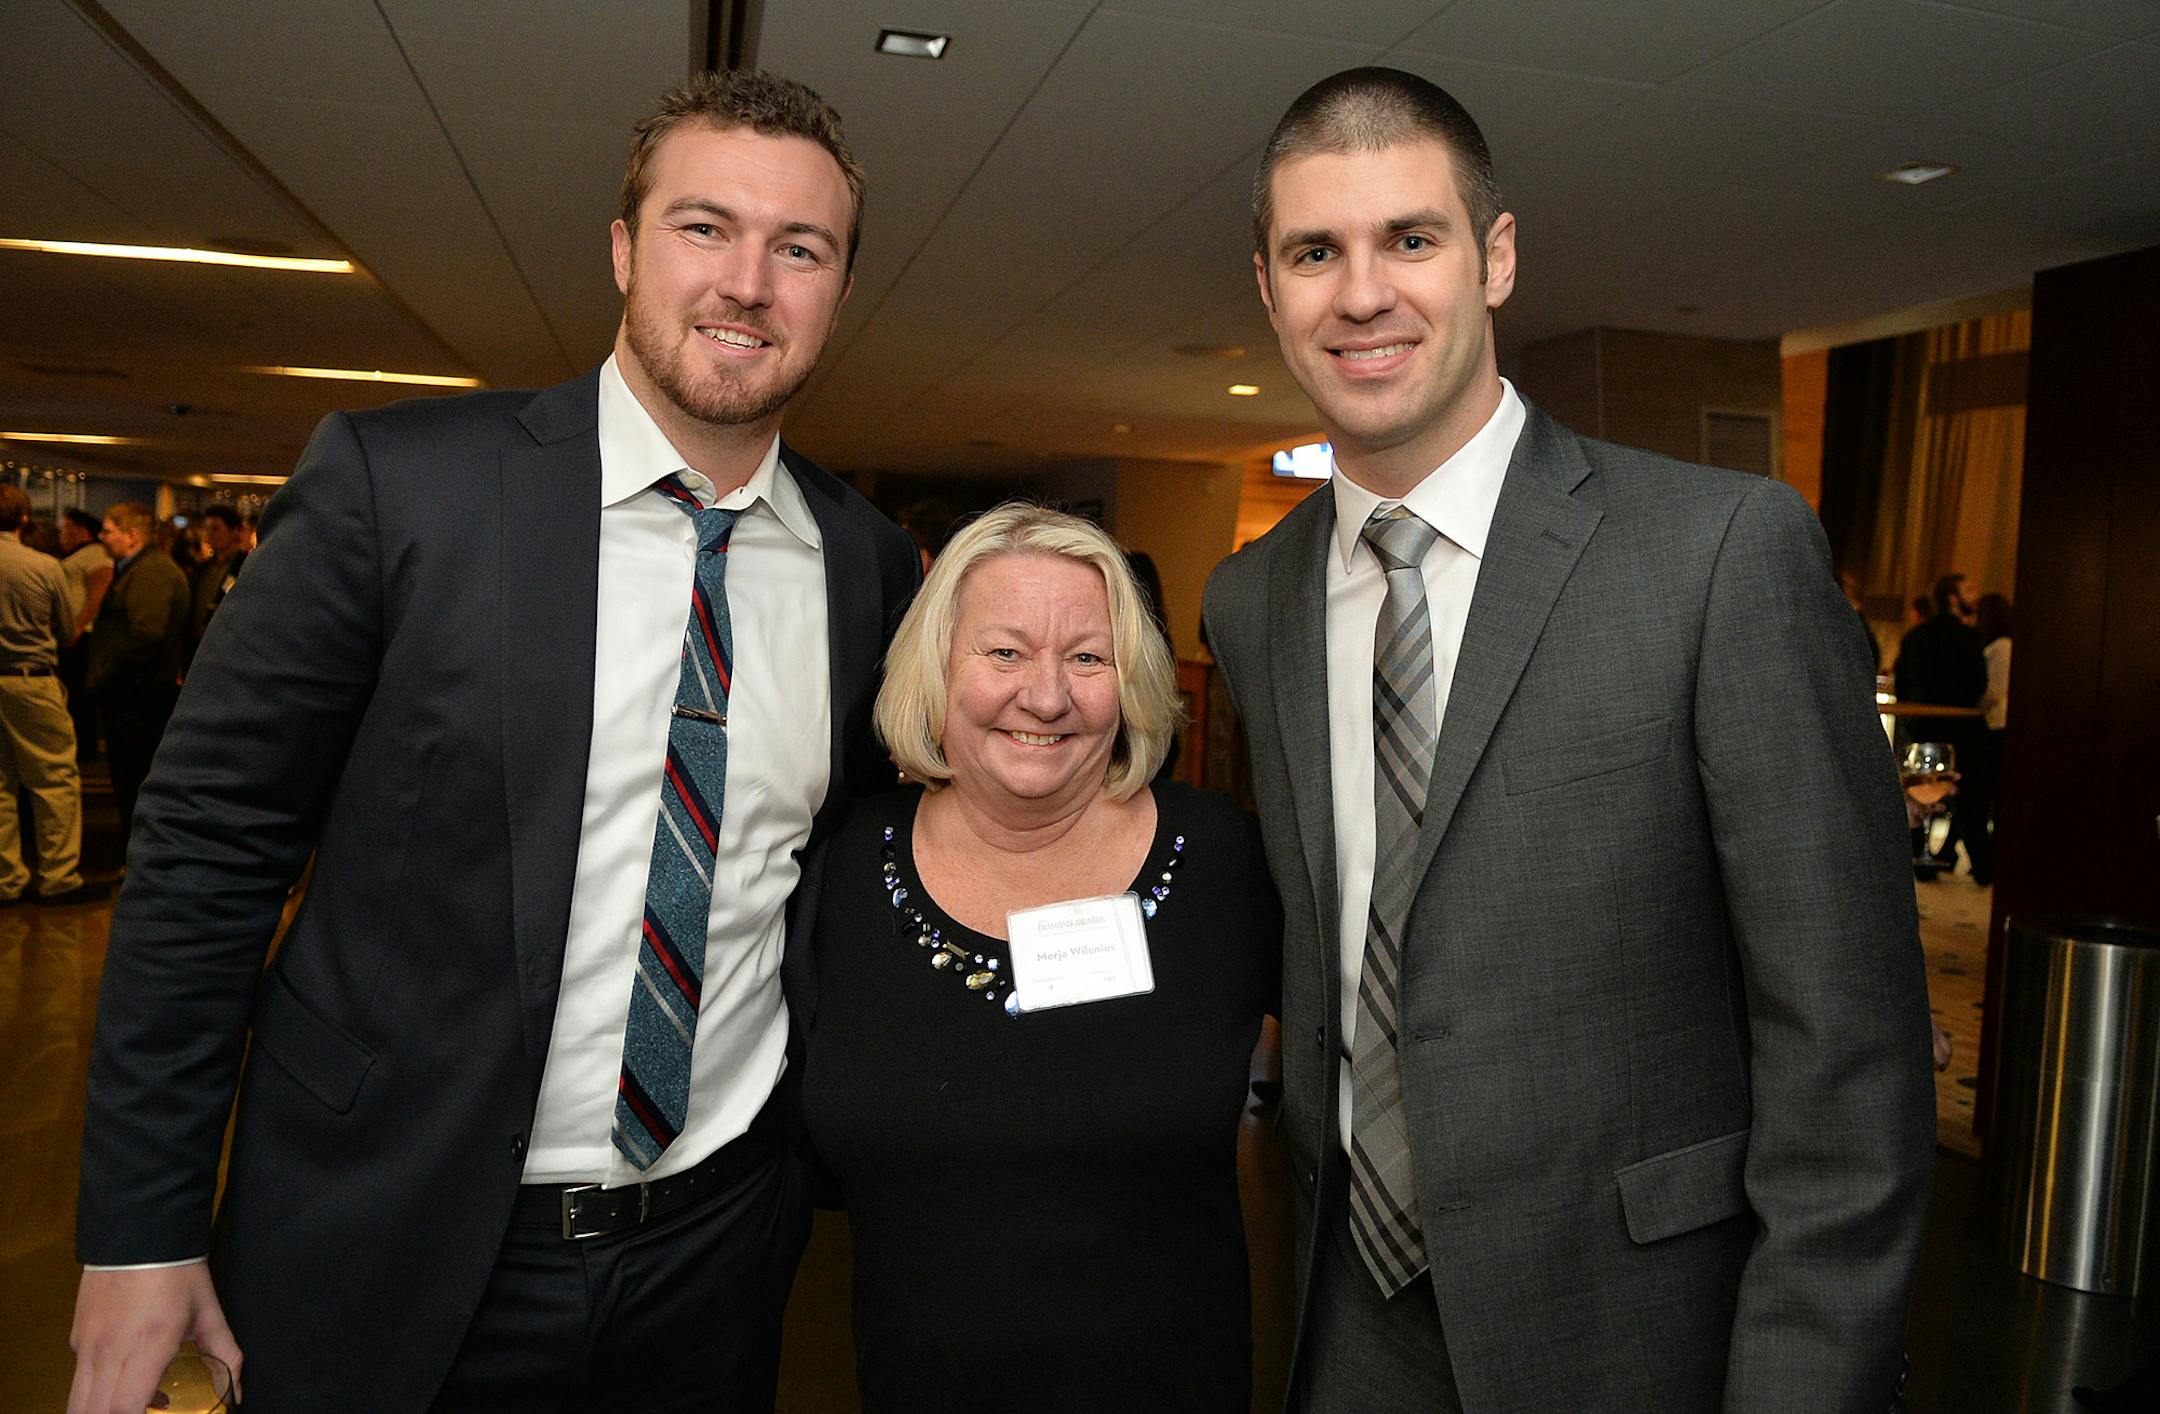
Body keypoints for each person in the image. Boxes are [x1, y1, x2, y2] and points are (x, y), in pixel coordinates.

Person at [69, 69, 920, 1414]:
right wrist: (140, 1222)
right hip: (388, 1237)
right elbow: (208, 852)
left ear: (839, 288)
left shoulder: (867, 569)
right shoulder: (397, 487)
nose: (748, 280)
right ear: (626, 251)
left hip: (716, 1255)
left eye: (799, 247)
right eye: (706, 227)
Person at [1203, 67, 1933, 1411]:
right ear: (1269, 288)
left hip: (1638, 1335)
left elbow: (1849, 1070)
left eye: (1410, 239)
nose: (1362, 293)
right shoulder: (1251, 598)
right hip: (1345, 1323)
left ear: (1496, 256)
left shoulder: (1719, 554)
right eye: (1316, 251)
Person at [802, 502, 1279, 1410]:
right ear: (936, 669)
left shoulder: (1224, 863)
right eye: (1005, 652)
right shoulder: (837, 871)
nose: (1047, 696)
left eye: (1087, 657)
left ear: (1131, 678)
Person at [0, 485, 97, 905]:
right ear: (24, 520)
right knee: (53, 778)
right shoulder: (43, 566)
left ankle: (6, 878)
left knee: (0, 783)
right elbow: (66, 631)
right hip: (32, 679)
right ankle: (58, 876)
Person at [85, 502, 189, 851]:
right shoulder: (139, 569)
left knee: (136, 781)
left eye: (108, 530)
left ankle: (140, 854)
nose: (102, 537)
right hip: (133, 698)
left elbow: (145, 637)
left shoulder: (152, 573)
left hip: (137, 702)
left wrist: (104, 678)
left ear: (132, 536)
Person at [1895, 572, 1988, 876]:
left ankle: (1917, 862)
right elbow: (1978, 686)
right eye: (1969, 589)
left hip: (1921, 727)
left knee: (1919, 797)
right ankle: (1983, 866)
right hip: (1961, 731)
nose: (1975, 595)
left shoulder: (1915, 637)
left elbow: (1902, 685)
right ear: (1952, 597)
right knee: (1969, 803)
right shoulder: (1971, 638)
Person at [56, 509, 112, 762]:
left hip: (82, 635)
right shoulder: (77, 555)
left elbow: (97, 592)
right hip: (75, 632)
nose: (61, 534)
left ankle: (85, 747)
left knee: (79, 694)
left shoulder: (94, 554)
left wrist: (78, 625)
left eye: (65, 528)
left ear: (80, 528)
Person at [1969, 591, 2012, 887]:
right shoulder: (1992, 645)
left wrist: (1970, 707)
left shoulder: (2002, 647)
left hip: (1996, 725)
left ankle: (1991, 859)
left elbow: (1995, 691)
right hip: (1989, 724)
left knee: (1992, 793)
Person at [184, 503, 248, 657]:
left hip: (226, 649)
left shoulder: (245, 567)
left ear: (235, 531)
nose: (208, 534)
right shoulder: (202, 568)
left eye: (215, 529)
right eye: (206, 529)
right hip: (197, 649)